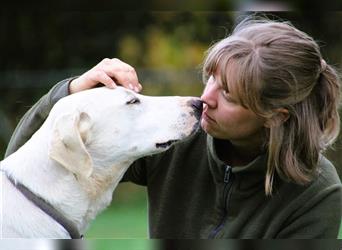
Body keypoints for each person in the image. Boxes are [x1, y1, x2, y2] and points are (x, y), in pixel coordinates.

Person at [5, 16, 342, 238]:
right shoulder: (174, 138)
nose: (204, 98)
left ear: (275, 116)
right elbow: (28, 175)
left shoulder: (318, 194)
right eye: (211, 78)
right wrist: (71, 94)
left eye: (229, 95)